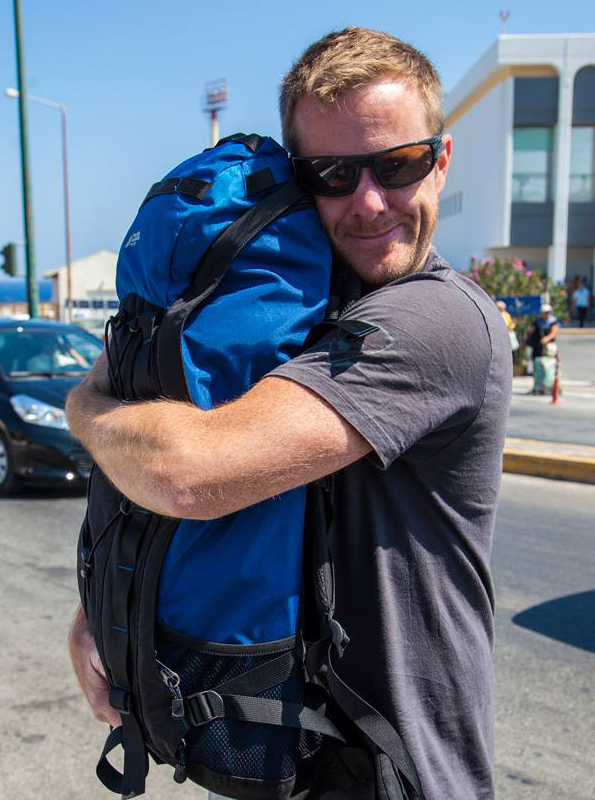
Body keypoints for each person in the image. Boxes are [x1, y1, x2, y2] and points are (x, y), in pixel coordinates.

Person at [66, 27, 512, 800]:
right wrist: (104, 605)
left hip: (401, 774)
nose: (369, 203)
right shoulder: (307, 309)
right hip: (290, 750)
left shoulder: (438, 324)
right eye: (333, 173)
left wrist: (79, 407)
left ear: (441, 161)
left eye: (398, 165)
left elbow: (185, 474)